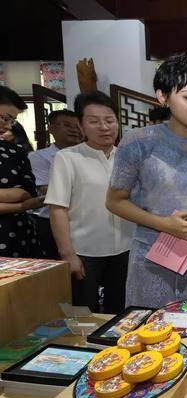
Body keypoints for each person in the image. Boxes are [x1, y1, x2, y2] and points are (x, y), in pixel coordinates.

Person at [106, 53, 187, 308]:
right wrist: (164, 224)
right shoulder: (138, 142)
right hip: (151, 253)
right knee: (149, 327)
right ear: (162, 97)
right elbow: (115, 201)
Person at [45, 91, 134, 313]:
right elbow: (57, 209)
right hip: (85, 251)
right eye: (94, 121)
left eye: (109, 120)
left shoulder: (128, 157)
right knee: (83, 313)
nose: (104, 127)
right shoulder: (67, 158)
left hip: (126, 249)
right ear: (81, 126)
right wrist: (68, 254)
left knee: (120, 313)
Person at [28, 110, 81, 259]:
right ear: (51, 129)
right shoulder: (38, 157)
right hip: (52, 222)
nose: (74, 130)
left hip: (84, 221)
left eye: (78, 126)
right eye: (67, 125)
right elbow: (47, 190)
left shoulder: (87, 155)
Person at [0, 86, 45, 258]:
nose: (6, 126)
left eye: (11, 121)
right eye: (4, 118)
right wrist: (20, 206)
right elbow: (23, 199)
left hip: (18, 235)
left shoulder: (15, 151)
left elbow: (28, 191)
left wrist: (22, 200)